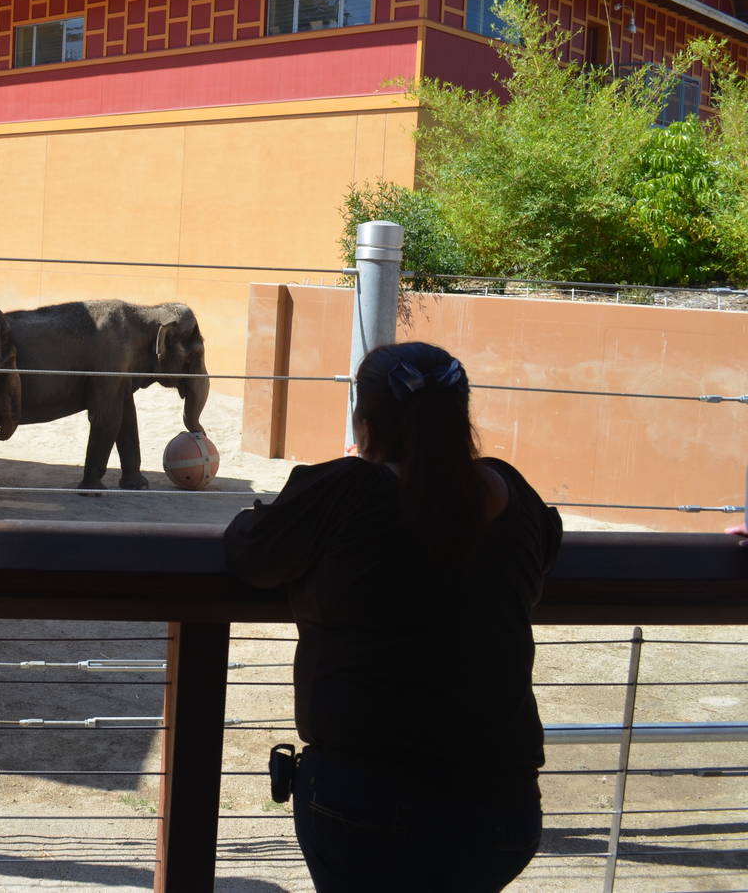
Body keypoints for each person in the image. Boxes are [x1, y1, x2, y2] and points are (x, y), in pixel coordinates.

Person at [225, 341, 561, 892]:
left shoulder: (346, 491)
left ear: (367, 424)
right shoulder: (512, 493)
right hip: (502, 804)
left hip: (367, 800)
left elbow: (251, 554)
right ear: (461, 420)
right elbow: (545, 547)